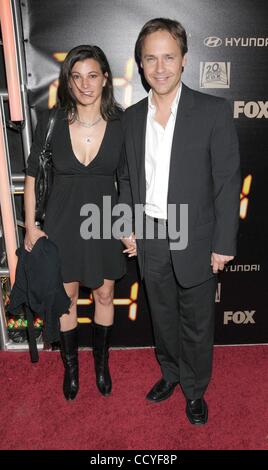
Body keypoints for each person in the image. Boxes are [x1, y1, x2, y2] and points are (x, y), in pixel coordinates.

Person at [118, 18, 241, 425]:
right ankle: (170, 373)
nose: (160, 67)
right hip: (150, 232)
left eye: (169, 56)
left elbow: (227, 183)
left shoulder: (213, 111)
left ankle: (194, 389)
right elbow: (127, 177)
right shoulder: (131, 117)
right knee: (163, 315)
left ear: (185, 60)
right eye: (150, 58)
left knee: (197, 320)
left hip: (197, 233)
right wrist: (127, 225)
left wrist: (223, 243)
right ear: (140, 64)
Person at [24, 45, 127, 400]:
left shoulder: (121, 123)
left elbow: (127, 181)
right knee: (66, 298)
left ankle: (101, 365)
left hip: (103, 221)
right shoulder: (51, 121)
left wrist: (127, 225)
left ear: (105, 78)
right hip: (62, 222)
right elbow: (33, 178)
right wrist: (31, 227)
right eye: (77, 76)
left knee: (104, 292)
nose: (85, 84)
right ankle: (71, 370)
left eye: (93, 75)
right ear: (68, 80)